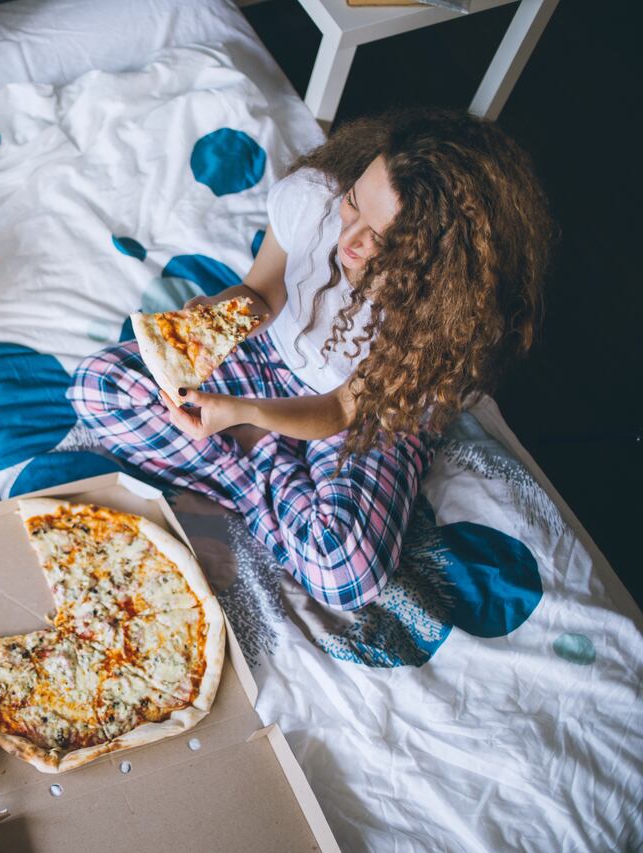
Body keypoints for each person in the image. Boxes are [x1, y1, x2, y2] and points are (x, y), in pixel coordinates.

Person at [70, 109, 551, 610]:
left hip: (368, 416)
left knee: (344, 571)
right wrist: (217, 319)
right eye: (353, 205)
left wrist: (247, 417)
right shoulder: (314, 197)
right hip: (271, 357)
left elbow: (343, 409)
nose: (349, 240)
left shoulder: (445, 317)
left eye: (382, 239)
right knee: (95, 386)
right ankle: (272, 488)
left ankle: (250, 459)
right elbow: (260, 291)